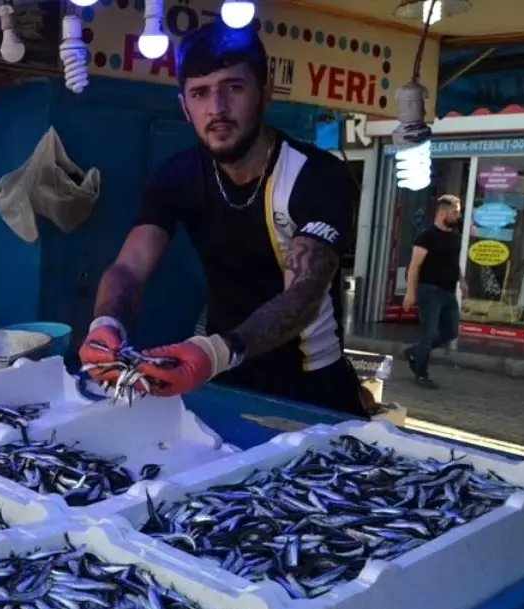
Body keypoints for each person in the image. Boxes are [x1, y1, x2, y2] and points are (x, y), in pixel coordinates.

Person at [79, 22, 366, 417]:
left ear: (265, 94)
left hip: (312, 387)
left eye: (233, 87)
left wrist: (216, 350)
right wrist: (106, 323)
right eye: (199, 93)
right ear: (184, 107)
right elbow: (130, 266)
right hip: (225, 378)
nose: (216, 108)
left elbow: (303, 295)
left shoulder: (318, 176)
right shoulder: (176, 176)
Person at [402, 195, 467, 389]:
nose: (458, 215)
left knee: (450, 331)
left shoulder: (454, 236)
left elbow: (453, 263)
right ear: (442, 213)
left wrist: (462, 280)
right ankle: (421, 374)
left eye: (459, 211)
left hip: (448, 291)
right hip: (429, 290)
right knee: (429, 333)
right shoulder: (426, 237)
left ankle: (415, 352)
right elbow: (414, 266)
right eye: (455, 211)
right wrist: (410, 293)